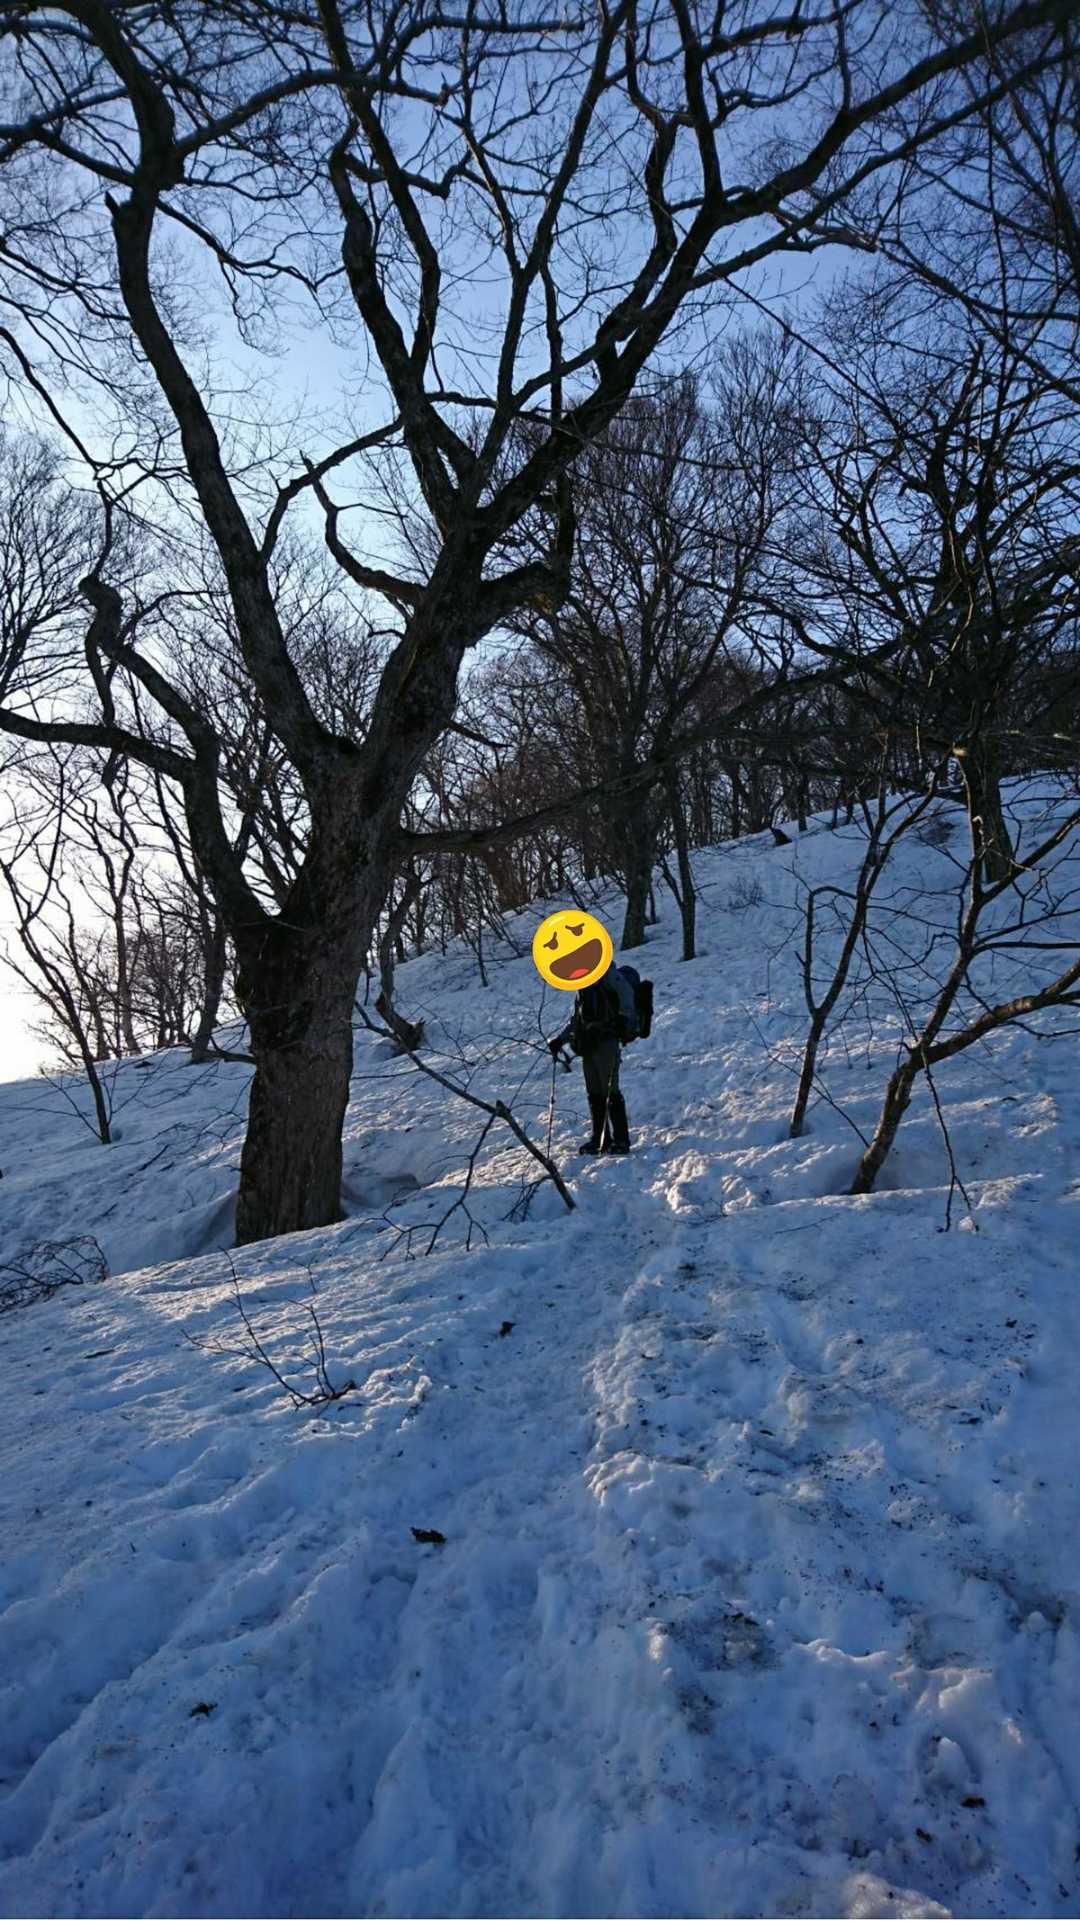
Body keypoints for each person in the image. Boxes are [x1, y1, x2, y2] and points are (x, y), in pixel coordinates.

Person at [548, 962, 631, 1154]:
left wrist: (624, 1020)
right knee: (594, 1092)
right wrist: (560, 1040)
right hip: (589, 1045)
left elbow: (626, 996)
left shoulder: (607, 976)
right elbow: (577, 1020)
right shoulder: (583, 984)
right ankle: (600, 1139)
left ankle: (621, 1140)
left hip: (607, 1041)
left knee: (610, 1090)